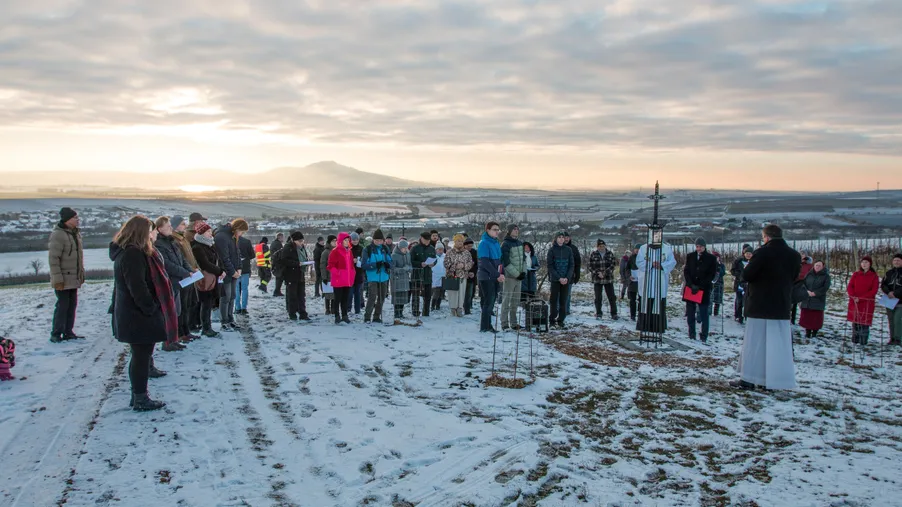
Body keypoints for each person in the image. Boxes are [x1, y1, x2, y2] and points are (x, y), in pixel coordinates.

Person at [111, 216, 173, 411]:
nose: (154, 234)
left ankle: (137, 395)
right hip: (137, 315)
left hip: (134, 313)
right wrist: (150, 308)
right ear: (141, 233)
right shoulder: (133, 254)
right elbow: (137, 287)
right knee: (141, 356)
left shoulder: (130, 252)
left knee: (141, 355)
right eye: (151, 230)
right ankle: (140, 398)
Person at [732, 224, 801, 391]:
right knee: (777, 345)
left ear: (767, 237)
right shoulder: (794, 255)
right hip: (781, 305)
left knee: (755, 344)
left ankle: (749, 378)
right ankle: (772, 380)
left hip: (760, 304)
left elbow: (747, 275)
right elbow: (794, 277)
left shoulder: (762, 253)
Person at [154, 216, 196, 350]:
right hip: (170, 281)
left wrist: (190, 270)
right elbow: (167, 264)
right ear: (159, 229)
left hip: (179, 281)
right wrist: (185, 272)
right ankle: (168, 341)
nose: (171, 229)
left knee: (176, 311)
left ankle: (174, 338)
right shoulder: (159, 244)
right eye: (168, 226)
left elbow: (182, 259)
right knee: (169, 313)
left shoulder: (172, 241)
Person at [48, 207, 85, 343]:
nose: (77, 220)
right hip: (63, 278)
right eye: (75, 218)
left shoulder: (75, 233)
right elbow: (54, 259)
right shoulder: (58, 235)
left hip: (73, 277)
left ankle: (68, 332)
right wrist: (58, 279)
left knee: (72, 305)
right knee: (62, 306)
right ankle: (56, 333)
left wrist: (80, 274)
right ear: (67, 220)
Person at [635, 241, 677, 334]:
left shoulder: (666, 249)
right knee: (645, 303)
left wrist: (662, 265)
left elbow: (672, 262)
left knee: (658, 303)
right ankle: (644, 326)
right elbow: (639, 262)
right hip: (647, 281)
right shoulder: (643, 248)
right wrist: (651, 264)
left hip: (660, 280)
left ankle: (658, 326)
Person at [191, 222, 224, 338]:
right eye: (208, 231)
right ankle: (205, 327)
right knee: (205, 303)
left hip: (212, 278)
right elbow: (205, 264)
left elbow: (217, 260)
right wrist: (220, 271)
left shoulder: (210, 244)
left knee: (208, 303)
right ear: (202, 233)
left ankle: (206, 326)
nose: (211, 233)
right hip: (204, 280)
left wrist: (221, 270)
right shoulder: (197, 247)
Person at [170, 216, 201, 340]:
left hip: (190, 274)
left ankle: (186, 331)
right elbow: (180, 260)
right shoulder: (175, 240)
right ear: (175, 226)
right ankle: (180, 333)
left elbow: (190, 257)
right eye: (182, 224)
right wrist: (187, 271)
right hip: (183, 277)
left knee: (187, 305)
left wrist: (195, 268)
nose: (185, 226)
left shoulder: (183, 239)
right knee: (181, 306)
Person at [214, 219, 247, 331]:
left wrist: (239, 268)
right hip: (225, 273)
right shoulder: (222, 236)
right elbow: (224, 258)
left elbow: (237, 254)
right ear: (237, 228)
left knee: (232, 296)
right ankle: (224, 321)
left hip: (234, 273)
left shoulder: (232, 236)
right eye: (242, 231)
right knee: (225, 297)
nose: (241, 234)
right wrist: (233, 272)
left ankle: (230, 319)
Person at [683, 238, 717, 342]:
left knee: (704, 313)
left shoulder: (711, 258)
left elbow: (711, 274)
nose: (698, 248)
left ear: (704, 247)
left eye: (701, 247)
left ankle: (704, 335)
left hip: (703, 289)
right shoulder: (690, 256)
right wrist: (691, 284)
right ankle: (691, 333)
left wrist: (700, 286)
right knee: (690, 313)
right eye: (697, 246)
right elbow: (686, 271)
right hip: (691, 288)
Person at [477, 222, 505, 332]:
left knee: (491, 302)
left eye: (498, 229)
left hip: (495, 276)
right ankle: (485, 326)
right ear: (488, 230)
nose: (497, 232)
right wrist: (497, 274)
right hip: (486, 276)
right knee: (488, 302)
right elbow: (485, 263)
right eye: (494, 229)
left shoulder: (496, 243)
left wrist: (501, 273)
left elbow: (499, 261)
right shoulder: (484, 243)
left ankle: (488, 325)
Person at [847, 255, 879, 345]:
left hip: (866, 302)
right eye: (863, 262)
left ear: (870, 264)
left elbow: (874, 290)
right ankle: (855, 339)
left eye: (866, 262)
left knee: (864, 321)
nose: (864, 264)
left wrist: (861, 298)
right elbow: (850, 286)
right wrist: (853, 296)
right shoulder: (856, 274)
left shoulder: (874, 276)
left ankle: (863, 340)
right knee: (855, 320)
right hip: (855, 301)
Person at [499, 225, 526, 330]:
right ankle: (504, 323)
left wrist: (523, 272)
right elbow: (506, 262)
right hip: (510, 277)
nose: (516, 231)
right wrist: (516, 274)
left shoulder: (520, 243)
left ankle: (514, 323)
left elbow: (524, 259)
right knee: (507, 300)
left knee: (515, 301)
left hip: (519, 277)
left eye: (517, 229)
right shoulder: (505, 244)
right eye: (514, 229)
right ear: (509, 231)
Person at [362, 229, 391, 323]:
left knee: (382, 297)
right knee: (372, 297)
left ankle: (376, 316)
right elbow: (364, 265)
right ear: (373, 240)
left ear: (383, 240)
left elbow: (390, 261)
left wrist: (388, 264)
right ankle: (367, 316)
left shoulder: (385, 249)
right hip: (373, 277)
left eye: (380, 240)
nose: (378, 242)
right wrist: (375, 265)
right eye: (376, 240)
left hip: (384, 277)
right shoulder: (368, 249)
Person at [547, 231, 575, 329]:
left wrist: (567, 277)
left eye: (563, 237)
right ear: (556, 239)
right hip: (555, 280)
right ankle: (552, 321)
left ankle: (561, 321)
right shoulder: (551, 250)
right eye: (559, 237)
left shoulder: (568, 250)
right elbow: (550, 266)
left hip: (566, 280)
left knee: (563, 300)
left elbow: (571, 265)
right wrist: (559, 278)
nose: (561, 239)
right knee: (554, 300)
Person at [280, 231, 311, 321]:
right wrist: (297, 263)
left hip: (300, 274)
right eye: (299, 241)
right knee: (292, 295)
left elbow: (304, 257)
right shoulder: (288, 247)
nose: (301, 242)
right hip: (291, 275)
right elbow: (284, 260)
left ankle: (303, 313)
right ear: (294, 240)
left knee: (301, 295)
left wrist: (306, 262)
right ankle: (292, 313)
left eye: (302, 240)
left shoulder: (302, 248)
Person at [327, 232, 355, 324]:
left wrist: (352, 272)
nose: (347, 242)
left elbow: (351, 264)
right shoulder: (335, 251)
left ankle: (344, 315)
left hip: (347, 279)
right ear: (341, 241)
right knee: (337, 299)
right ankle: (337, 315)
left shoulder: (349, 251)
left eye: (348, 240)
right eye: (345, 240)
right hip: (338, 279)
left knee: (345, 299)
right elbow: (330, 265)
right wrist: (338, 273)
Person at [799, 260, 830, 338]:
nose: (817, 267)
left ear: (822, 267)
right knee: (807, 317)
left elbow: (825, 287)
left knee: (816, 318)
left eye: (819, 266)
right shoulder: (809, 274)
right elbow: (803, 283)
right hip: (807, 298)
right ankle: (807, 332)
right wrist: (807, 291)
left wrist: (816, 293)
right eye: (816, 265)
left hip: (818, 300)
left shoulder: (826, 276)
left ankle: (814, 333)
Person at [444, 234, 474, 317]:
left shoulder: (467, 253)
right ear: (454, 242)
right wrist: (455, 266)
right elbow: (446, 263)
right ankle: (453, 309)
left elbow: (470, 263)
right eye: (458, 241)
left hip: (462, 276)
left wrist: (463, 266)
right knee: (453, 294)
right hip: (452, 276)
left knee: (461, 293)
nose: (460, 243)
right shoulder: (450, 252)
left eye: (461, 241)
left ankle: (460, 309)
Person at [589, 239, 618, 320]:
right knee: (598, 297)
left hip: (608, 279)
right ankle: (599, 313)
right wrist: (598, 273)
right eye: (600, 246)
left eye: (603, 246)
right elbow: (590, 266)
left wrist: (605, 273)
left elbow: (613, 265)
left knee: (611, 297)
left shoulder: (610, 254)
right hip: (597, 279)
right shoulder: (593, 254)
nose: (601, 247)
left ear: (605, 246)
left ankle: (614, 313)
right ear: (597, 247)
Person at [410, 232, 437, 318]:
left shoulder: (432, 248)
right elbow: (410, 261)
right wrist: (420, 264)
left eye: (428, 240)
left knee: (428, 296)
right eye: (425, 240)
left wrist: (433, 263)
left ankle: (426, 312)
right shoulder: (415, 248)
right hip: (417, 275)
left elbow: (435, 259)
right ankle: (415, 312)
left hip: (427, 275)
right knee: (416, 295)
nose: (427, 241)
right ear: (421, 238)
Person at [881, 254, 902, 345]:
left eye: (898, 260)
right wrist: (888, 292)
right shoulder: (889, 273)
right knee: (891, 320)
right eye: (895, 260)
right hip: (889, 300)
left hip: (900, 300)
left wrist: (895, 293)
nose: (896, 262)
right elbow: (883, 285)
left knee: (897, 320)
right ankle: (892, 338)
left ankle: (898, 339)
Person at [391, 240, 413, 322]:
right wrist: (402, 269)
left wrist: (409, 268)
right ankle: (396, 313)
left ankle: (401, 312)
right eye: (403, 248)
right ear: (399, 248)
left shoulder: (408, 254)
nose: (405, 249)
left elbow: (410, 265)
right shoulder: (394, 255)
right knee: (397, 296)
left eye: (406, 248)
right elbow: (392, 268)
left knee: (403, 296)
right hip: (396, 279)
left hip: (405, 278)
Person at [731, 247, 754, 324]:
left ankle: (747, 316)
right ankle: (738, 316)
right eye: (747, 253)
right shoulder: (738, 261)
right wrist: (740, 275)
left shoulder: (754, 262)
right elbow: (733, 271)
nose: (748, 255)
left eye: (750, 254)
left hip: (749, 285)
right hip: (739, 284)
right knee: (739, 300)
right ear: (744, 254)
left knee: (748, 301)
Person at [791, 252, 814, 324]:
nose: (802, 256)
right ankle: (792, 319)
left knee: (803, 303)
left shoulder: (809, 265)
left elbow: (811, 274)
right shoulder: (795, 263)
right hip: (794, 283)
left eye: (803, 255)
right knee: (793, 302)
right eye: (801, 255)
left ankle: (805, 320)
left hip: (803, 284)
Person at [235, 232, 254, 316]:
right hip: (245, 268)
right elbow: (252, 255)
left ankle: (237, 308)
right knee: (245, 289)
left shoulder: (231, 241)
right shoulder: (247, 241)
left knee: (236, 289)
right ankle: (244, 308)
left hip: (235, 269)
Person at [563, 231, 582, 314]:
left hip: (570, 274)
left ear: (569, 238)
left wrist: (577, 274)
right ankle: (559, 309)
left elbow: (578, 263)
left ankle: (566, 310)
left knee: (567, 293)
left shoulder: (573, 248)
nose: (566, 239)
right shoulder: (557, 248)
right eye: (564, 237)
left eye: (567, 237)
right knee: (559, 293)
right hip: (559, 275)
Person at [349, 232, 365, 315]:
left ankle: (357, 309)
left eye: (356, 240)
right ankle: (348, 309)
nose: (355, 241)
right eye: (353, 240)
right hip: (350, 274)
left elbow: (364, 259)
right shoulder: (348, 248)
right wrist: (351, 261)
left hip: (359, 273)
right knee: (349, 293)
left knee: (358, 293)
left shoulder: (362, 248)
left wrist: (359, 261)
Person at [320, 235, 337, 316]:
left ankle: (333, 308)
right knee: (327, 293)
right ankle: (327, 309)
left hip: (336, 276)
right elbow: (322, 265)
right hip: (328, 276)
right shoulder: (325, 252)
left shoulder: (337, 251)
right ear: (329, 242)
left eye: (336, 241)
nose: (335, 242)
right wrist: (324, 277)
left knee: (334, 294)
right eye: (333, 241)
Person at [464, 238, 478, 315]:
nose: (470, 247)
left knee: (470, 293)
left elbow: (476, 264)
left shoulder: (474, 252)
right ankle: (465, 308)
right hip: (463, 276)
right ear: (465, 245)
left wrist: (473, 272)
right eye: (468, 246)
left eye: (471, 246)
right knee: (464, 294)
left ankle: (468, 308)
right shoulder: (462, 252)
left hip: (472, 277)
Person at [431, 243, 447, 311]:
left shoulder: (445, 256)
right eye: (439, 249)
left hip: (443, 276)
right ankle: (432, 305)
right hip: (435, 276)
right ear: (436, 250)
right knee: (436, 292)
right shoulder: (433, 256)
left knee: (441, 292)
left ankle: (438, 305)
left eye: (442, 249)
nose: (441, 251)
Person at [626, 245, 640, 321]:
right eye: (636, 249)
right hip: (633, 281)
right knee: (632, 299)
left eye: (639, 249)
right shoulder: (631, 258)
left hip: (641, 282)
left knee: (641, 299)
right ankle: (633, 315)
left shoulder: (645, 258)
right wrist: (629, 276)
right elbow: (627, 268)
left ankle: (641, 314)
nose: (637, 250)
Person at [271, 233, 285, 297]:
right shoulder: (278, 244)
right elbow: (281, 253)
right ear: (280, 237)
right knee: (280, 278)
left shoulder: (273, 243)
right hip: (278, 263)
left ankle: (277, 291)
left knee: (278, 278)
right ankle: (277, 291)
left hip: (274, 262)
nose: (283, 239)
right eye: (282, 237)